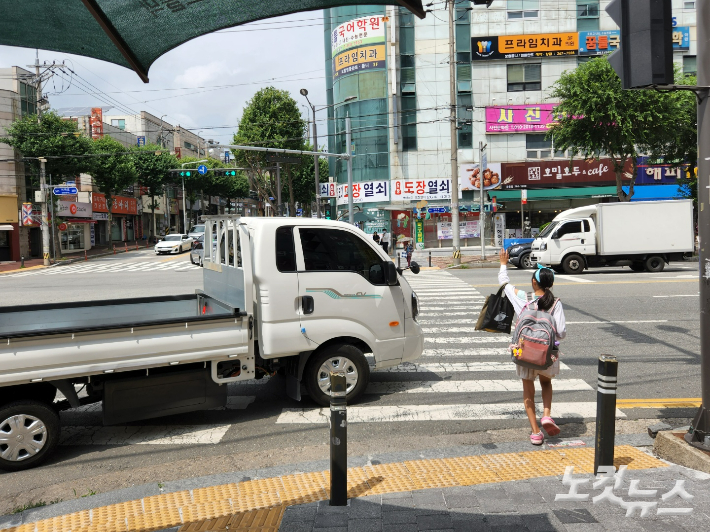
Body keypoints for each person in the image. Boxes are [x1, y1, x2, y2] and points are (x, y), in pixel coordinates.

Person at [499, 249, 567, 446]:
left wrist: (504, 263)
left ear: (534, 282)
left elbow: (504, 283)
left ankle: (536, 433)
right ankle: (546, 415)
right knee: (546, 383)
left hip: (525, 352)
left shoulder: (523, 297)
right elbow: (561, 332)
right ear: (550, 284)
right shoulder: (555, 303)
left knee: (528, 392)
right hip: (547, 355)